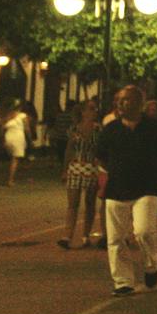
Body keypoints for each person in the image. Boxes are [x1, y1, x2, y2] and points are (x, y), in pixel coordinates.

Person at [96, 85, 157, 297]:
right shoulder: (110, 130)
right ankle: (122, 281)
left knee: (144, 231)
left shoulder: (154, 128)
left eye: (126, 100)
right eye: (119, 100)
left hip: (146, 187)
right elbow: (101, 156)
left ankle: (151, 265)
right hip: (117, 188)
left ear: (140, 103)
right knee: (116, 238)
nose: (121, 104)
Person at [59, 100, 101, 249]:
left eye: (95, 109)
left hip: (91, 168)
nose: (94, 111)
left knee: (90, 203)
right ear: (83, 112)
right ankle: (67, 235)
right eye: (90, 109)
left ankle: (85, 236)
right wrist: (65, 170)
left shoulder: (98, 130)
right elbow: (69, 149)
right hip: (75, 167)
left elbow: (100, 150)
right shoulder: (74, 129)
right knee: (73, 203)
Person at [0, 101, 28, 186]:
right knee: (15, 159)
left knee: (11, 158)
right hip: (18, 137)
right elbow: (27, 128)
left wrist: (2, 139)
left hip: (8, 136)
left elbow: (2, 127)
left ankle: (9, 176)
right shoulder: (23, 116)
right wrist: (29, 139)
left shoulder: (8, 116)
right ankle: (10, 179)